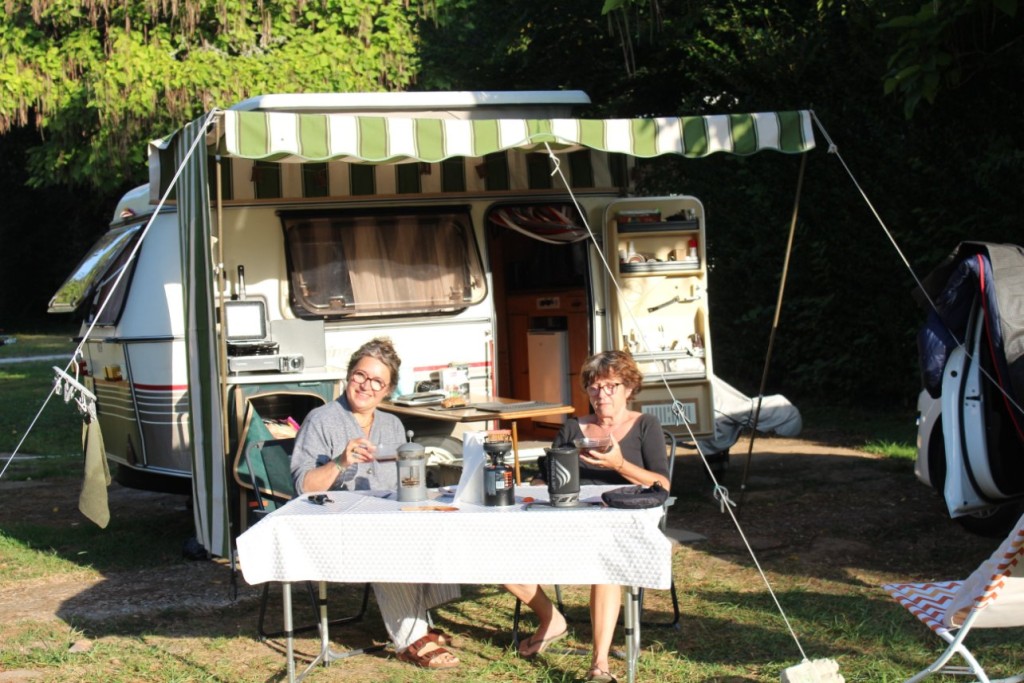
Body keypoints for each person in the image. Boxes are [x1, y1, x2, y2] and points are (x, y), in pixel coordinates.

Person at [291, 337, 461, 669]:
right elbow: (302, 486)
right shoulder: (321, 420)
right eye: (360, 376)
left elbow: (405, 482)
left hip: (388, 512)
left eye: (377, 382)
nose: (366, 386)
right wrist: (339, 462)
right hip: (338, 521)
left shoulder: (392, 424)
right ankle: (411, 638)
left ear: (387, 390)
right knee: (388, 537)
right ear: (348, 376)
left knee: (438, 522)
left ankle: (418, 621)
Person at [505, 350, 669, 683]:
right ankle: (551, 619)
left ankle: (600, 665)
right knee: (498, 551)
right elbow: (546, 478)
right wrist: (524, 487)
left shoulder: (645, 426)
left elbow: (662, 484)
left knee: (605, 561)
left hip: (619, 524)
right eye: (595, 387)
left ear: (628, 388)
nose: (602, 394)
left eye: (612, 386)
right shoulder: (572, 428)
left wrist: (618, 465)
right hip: (567, 519)